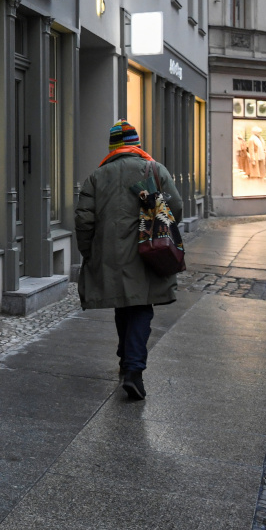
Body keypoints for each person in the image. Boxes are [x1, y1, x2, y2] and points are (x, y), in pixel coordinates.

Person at [74, 120, 183, 401]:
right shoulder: (154, 170)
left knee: (124, 305)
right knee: (140, 307)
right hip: (147, 253)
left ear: (113, 147)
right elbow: (177, 208)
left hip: (109, 255)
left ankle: (127, 360)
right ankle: (133, 369)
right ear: (136, 144)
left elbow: (83, 221)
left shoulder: (96, 177)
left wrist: (89, 253)